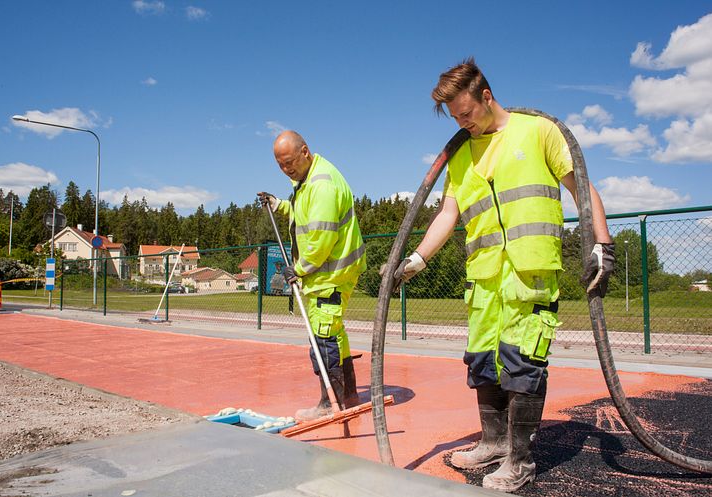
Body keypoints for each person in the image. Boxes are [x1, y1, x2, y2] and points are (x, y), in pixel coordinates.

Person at [392, 58, 614, 492]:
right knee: (483, 362)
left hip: (528, 274)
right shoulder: (460, 155)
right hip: (484, 281)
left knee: (522, 363)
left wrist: (602, 245)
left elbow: (581, 187)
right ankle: (493, 444)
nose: (462, 123)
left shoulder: (538, 132)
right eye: (454, 117)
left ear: (486, 96)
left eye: (466, 114)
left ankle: (520, 460)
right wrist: (416, 259)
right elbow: (448, 213)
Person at [258, 130, 367, 421]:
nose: (286, 169)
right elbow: (301, 212)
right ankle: (349, 395)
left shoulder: (322, 184)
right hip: (327, 273)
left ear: (305, 151)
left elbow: (320, 239)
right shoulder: (306, 180)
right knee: (335, 333)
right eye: (280, 165)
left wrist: (299, 269)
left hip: (329, 274)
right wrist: (278, 204)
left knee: (323, 337)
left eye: (290, 162)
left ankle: (329, 403)